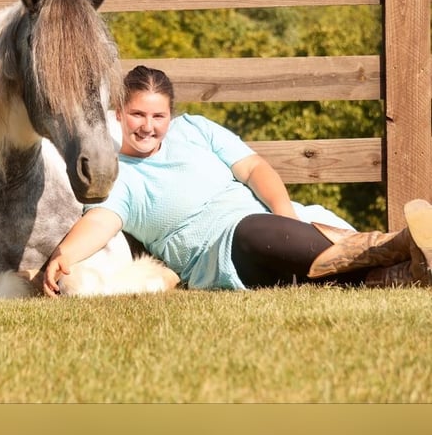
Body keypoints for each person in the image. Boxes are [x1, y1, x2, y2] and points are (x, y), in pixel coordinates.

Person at [43, 65, 432, 295]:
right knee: (251, 232)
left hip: (277, 225)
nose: (147, 127)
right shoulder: (121, 177)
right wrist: (63, 257)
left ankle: (401, 272)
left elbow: (254, 169)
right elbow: (99, 222)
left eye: (157, 117)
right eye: (137, 115)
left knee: (274, 235)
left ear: (171, 116)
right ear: (119, 113)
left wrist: (286, 216)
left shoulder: (195, 129)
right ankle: (399, 242)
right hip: (224, 253)